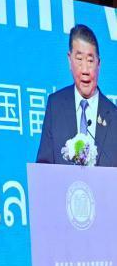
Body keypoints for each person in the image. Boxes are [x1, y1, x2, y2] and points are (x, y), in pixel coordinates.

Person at [37, 24, 117, 166]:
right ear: (70, 60)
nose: (85, 70)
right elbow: (43, 166)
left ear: (99, 64)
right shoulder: (55, 106)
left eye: (90, 61)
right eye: (79, 59)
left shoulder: (113, 116)